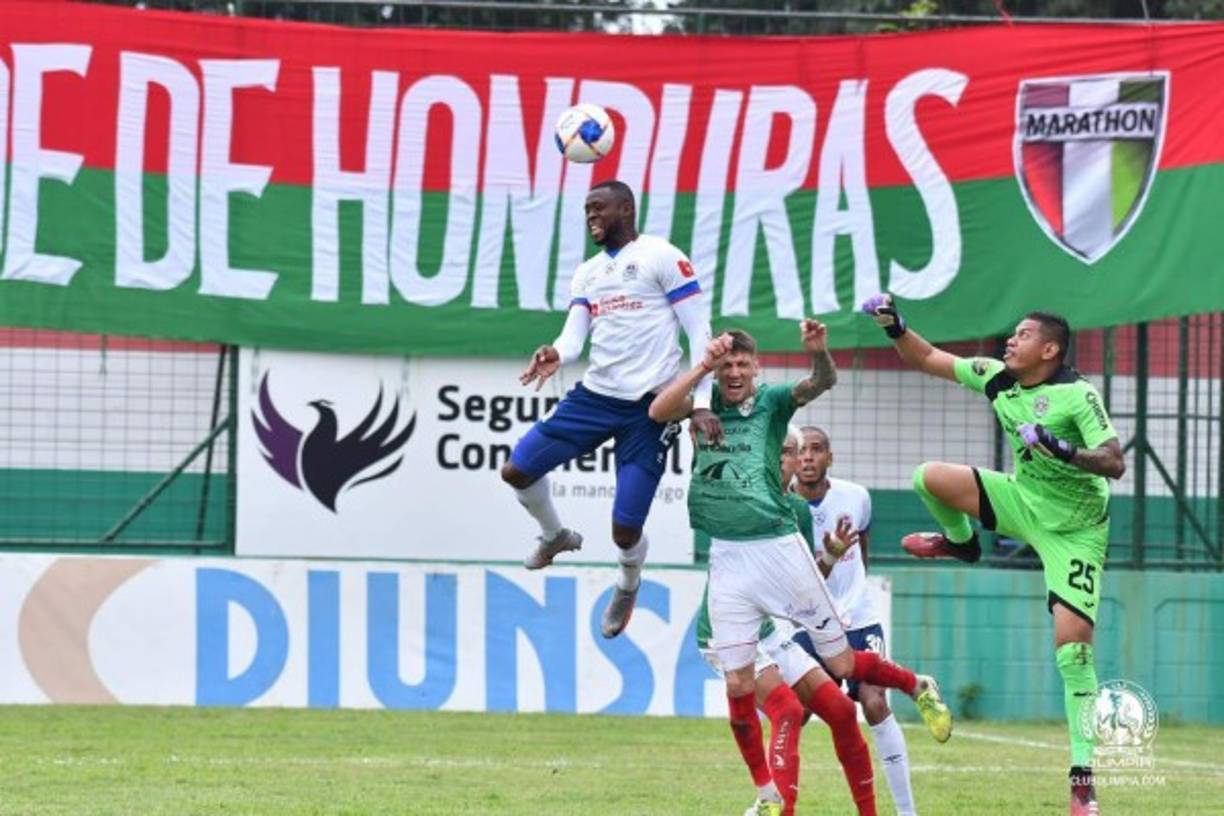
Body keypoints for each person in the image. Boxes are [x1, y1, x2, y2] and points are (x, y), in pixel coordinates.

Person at [652, 325, 952, 816]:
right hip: (728, 557)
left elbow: (819, 382)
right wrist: (703, 367)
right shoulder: (702, 403)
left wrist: (819, 354)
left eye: (741, 365)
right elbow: (658, 410)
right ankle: (769, 796)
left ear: (756, 370)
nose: (733, 373)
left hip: (773, 549)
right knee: (742, 693)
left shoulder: (771, 406)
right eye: (726, 365)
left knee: (845, 672)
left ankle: (915, 685)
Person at [861, 294, 1125, 816]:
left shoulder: (1077, 396)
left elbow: (1114, 462)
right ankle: (962, 543)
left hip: (1075, 531)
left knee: (1074, 653)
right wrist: (896, 326)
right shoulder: (996, 375)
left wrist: (1065, 449)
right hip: (1022, 501)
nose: (1011, 340)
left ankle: (1082, 783)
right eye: (1013, 334)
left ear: (1049, 349)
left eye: (1023, 335)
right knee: (928, 477)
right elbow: (927, 358)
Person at [501, 180, 721, 638]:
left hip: (651, 410)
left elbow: (701, 331)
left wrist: (700, 403)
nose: (591, 216)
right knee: (517, 471)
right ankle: (555, 536)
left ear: (626, 208)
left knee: (625, 530)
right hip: (596, 397)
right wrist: (556, 353)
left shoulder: (662, 255)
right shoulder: (588, 273)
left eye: (598, 207)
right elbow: (573, 337)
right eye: (586, 209)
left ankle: (628, 581)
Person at [789, 426, 917, 816]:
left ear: (830, 457)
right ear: (792, 460)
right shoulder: (783, 509)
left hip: (860, 620)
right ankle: (774, 800)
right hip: (811, 623)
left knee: (874, 700)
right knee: (797, 711)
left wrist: (855, 599)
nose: (808, 457)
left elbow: (862, 555)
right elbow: (802, 582)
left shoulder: (857, 497)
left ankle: (906, 811)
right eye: (801, 451)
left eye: (817, 449)